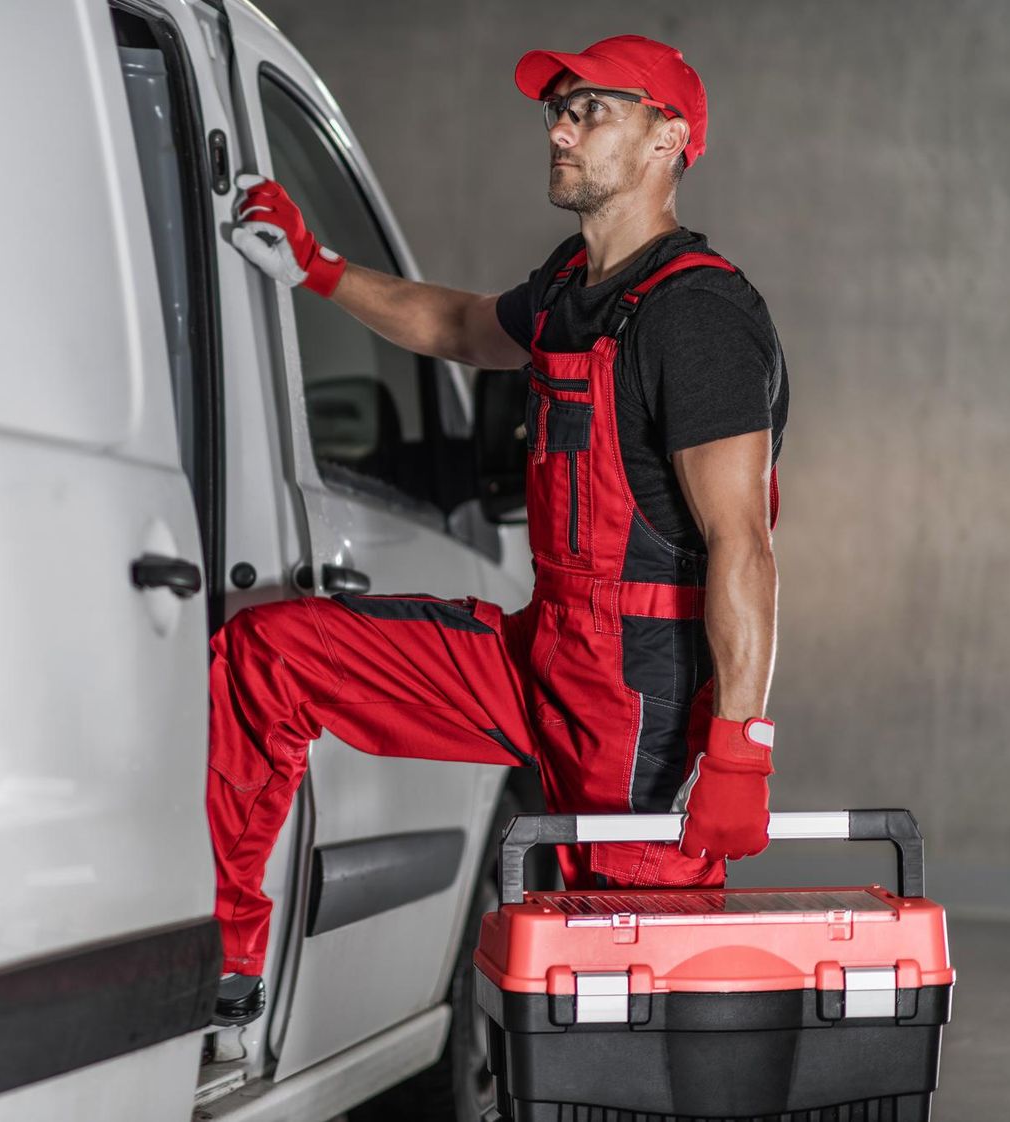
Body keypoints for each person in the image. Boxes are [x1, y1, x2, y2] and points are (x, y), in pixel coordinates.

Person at [208, 34, 789, 1026]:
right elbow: (461, 328)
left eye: (591, 109)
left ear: (670, 138)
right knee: (274, 654)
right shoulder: (575, 287)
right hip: (541, 653)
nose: (560, 128)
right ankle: (225, 961)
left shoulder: (699, 316)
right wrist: (316, 270)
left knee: (626, 987)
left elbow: (744, 545)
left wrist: (739, 748)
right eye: (558, 109)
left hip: (641, 703)